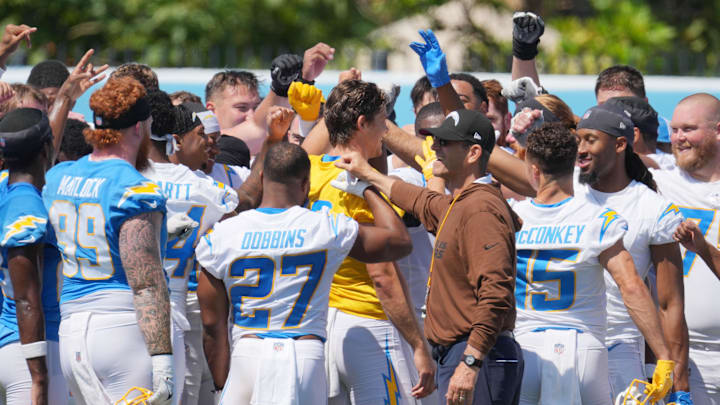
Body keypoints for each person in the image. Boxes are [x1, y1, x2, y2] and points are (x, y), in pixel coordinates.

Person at [485, 103, 690, 399]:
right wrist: (663, 357)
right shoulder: (598, 218)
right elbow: (632, 286)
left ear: (532, 170)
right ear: (571, 163)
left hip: (526, 347)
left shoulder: (513, 217)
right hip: (586, 348)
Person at [196, 141, 413, 404]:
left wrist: (222, 386)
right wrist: (368, 189)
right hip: (304, 353)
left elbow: (211, 324)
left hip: (248, 351)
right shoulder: (323, 226)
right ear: (305, 185)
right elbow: (399, 241)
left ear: (262, 177)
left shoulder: (223, 234)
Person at [335, 108, 524, 405]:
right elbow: (422, 201)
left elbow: (496, 293)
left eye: (445, 143)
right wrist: (368, 174)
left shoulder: (480, 209)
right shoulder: (462, 201)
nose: (434, 148)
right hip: (465, 353)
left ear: (473, 153)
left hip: (478, 356)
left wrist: (471, 362)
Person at [41, 77, 174, 404]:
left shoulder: (57, 177)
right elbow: (145, 283)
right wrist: (162, 358)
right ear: (140, 127)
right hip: (121, 329)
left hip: (71, 331)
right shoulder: (134, 187)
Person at [304, 79, 435, 405]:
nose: (386, 133)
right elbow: (383, 276)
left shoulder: (305, 172)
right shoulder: (358, 183)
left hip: (322, 326)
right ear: (362, 124)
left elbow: (309, 146)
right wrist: (418, 345)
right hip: (371, 324)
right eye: (383, 123)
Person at [142, 89, 240, 405]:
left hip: (127, 306)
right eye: (201, 135)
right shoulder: (204, 187)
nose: (210, 143)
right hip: (173, 308)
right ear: (175, 139)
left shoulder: (127, 177)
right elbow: (234, 208)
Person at [651, 93, 720, 405]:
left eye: (689, 129)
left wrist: (703, 248)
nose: (678, 138)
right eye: (675, 129)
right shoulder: (657, 183)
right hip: (677, 357)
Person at [0, 108, 67, 405]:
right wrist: (38, 375)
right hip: (30, 350)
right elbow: (26, 298)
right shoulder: (27, 204)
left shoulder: (5, 188)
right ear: (45, 150)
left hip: (10, 340)